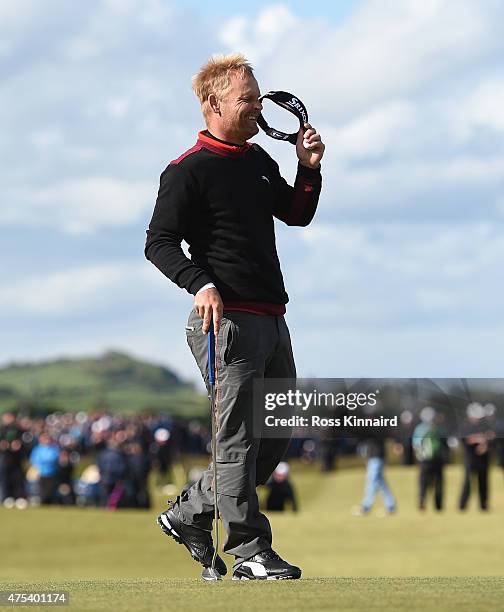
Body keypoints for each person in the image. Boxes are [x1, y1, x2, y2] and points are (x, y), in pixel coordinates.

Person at [145, 53, 324, 580]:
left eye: (256, 96)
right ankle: (249, 551)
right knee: (238, 439)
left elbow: (297, 214)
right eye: (247, 98)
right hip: (223, 324)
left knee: (275, 434)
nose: (256, 106)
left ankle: (190, 512)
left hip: (271, 317)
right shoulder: (187, 170)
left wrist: (308, 168)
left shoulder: (257, 161)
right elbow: (158, 243)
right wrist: (198, 282)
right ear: (212, 103)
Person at [412, 407, 448, 511]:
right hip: (430, 459)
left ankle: (430, 502)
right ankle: (433, 504)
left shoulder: (424, 428)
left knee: (429, 482)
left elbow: (415, 444)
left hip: (429, 459)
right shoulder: (435, 428)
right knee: (433, 482)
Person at [353, 436, 396, 515]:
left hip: (376, 457)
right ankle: (391, 506)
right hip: (374, 457)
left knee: (372, 481)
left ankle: (366, 506)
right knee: (381, 483)